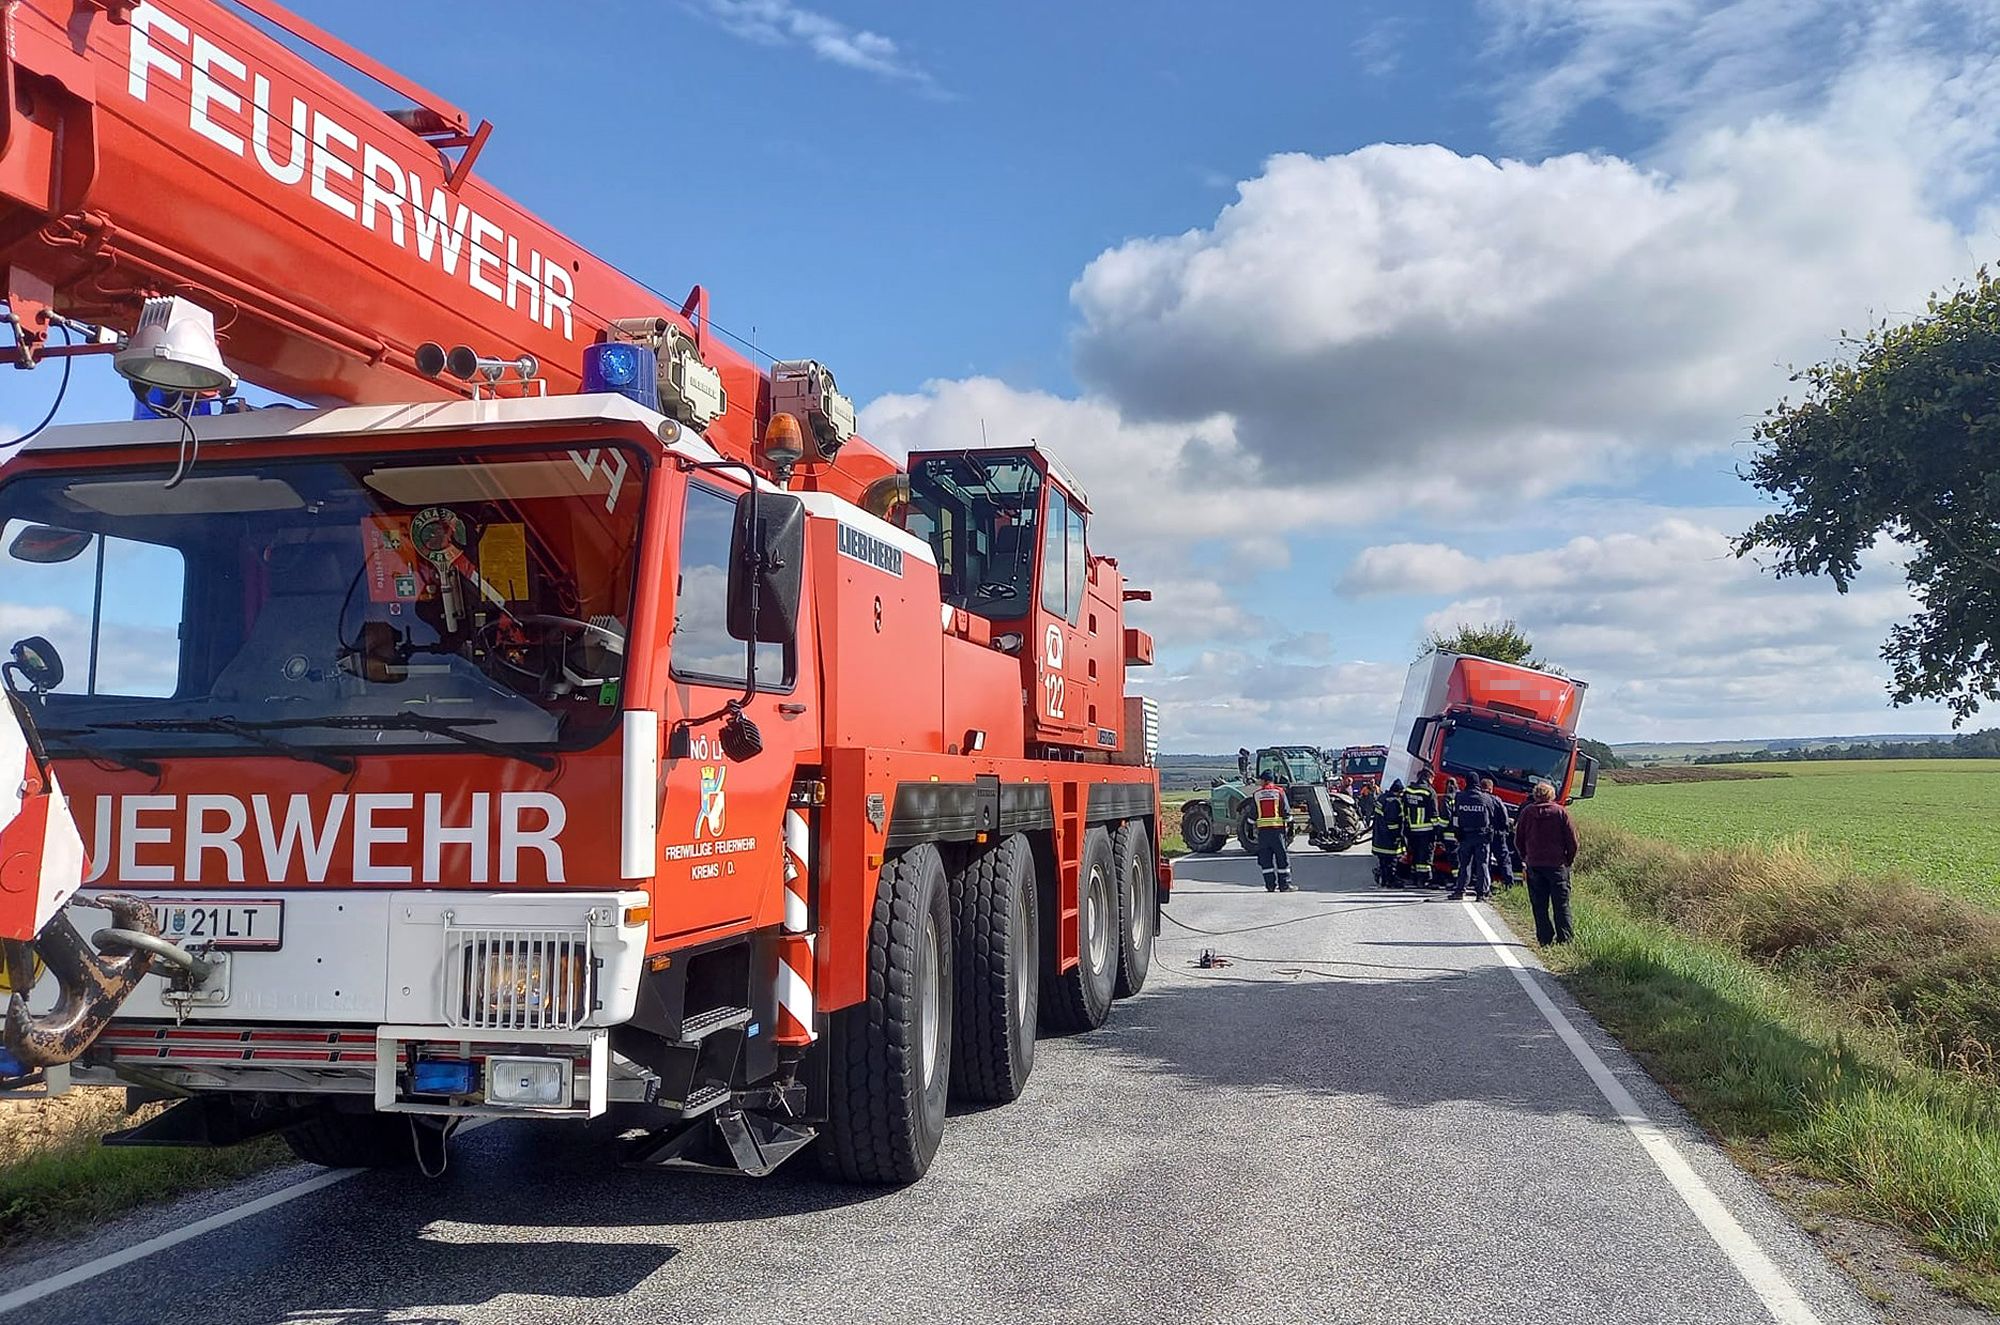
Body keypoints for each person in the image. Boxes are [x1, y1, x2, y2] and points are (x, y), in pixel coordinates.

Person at [1514, 780, 1579, 944]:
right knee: (1561, 904)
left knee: (1539, 905)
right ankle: (1565, 939)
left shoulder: (1527, 812)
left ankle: (1544, 938)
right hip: (1557, 865)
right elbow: (1572, 841)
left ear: (1536, 795)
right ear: (1552, 795)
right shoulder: (1560, 812)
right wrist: (1568, 860)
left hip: (1534, 864)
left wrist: (1525, 857)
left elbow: (1518, 839)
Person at [1449, 777, 1503, 901]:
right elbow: (1493, 816)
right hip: (1482, 837)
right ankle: (1481, 894)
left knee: (1464, 865)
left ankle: (1460, 891)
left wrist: (1457, 833)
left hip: (1465, 836)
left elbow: (1456, 816)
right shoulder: (1487, 798)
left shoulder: (1460, 797)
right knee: (1482, 864)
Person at [1252, 771, 1293, 893]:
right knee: (1282, 858)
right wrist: (1290, 825)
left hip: (1263, 833)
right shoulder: (1279, 792)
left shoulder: (1256, 794)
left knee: (1265, 859)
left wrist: (1250, 829)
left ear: (1264, 780)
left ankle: (1270, 885)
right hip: (1277, 831)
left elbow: (1252, 815)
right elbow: (1286, 811)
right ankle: (1284, 885)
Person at [1400, 772, 1439, 889]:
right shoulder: (1429, 792)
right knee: (1425, 855)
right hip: (1426, 830)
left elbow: (1403, 809)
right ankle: (1424, 879)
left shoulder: (1408, 790)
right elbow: (1434, 814)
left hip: (1411, 829)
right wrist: (1437, 831)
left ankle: (1414, 877)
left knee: (1415, 854)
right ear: (1429, 778)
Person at [1371, 778, 1406, 887]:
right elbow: (1392, 823)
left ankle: (1384, 879)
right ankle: (1390, 881)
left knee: (1383, 861)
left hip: (1379, 837)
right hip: (1388, 839)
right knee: (1391, 861)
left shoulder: (1382, 798)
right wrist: (1397, 836)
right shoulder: (1393, 802)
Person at [1480, 777, 1514, 891]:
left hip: (1483, 834)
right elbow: (1504, 818)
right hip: (1498, 834)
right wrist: (1505, 829)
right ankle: (1508, 884)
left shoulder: (1479, 799)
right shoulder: (1496, 800)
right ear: (1491, 788)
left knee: (1485, 860)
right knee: (1503, 859)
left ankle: (1486, 885)